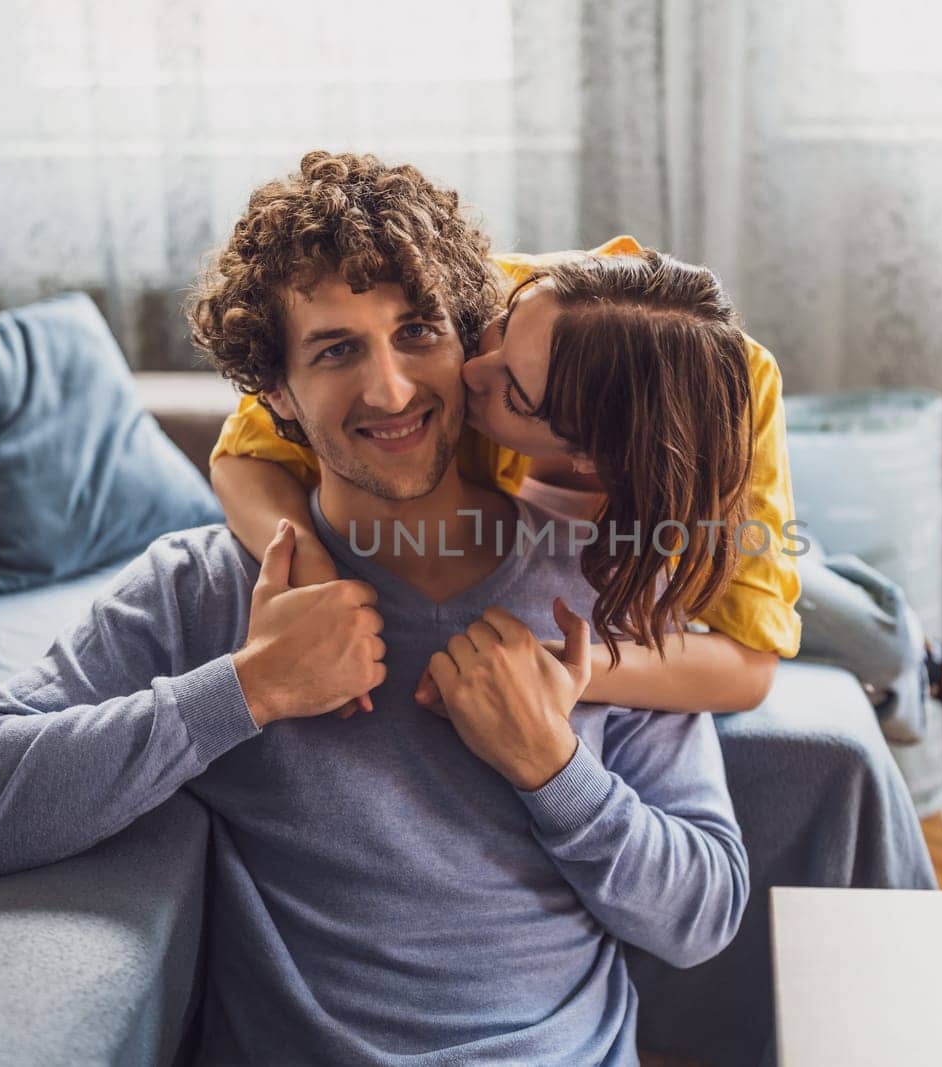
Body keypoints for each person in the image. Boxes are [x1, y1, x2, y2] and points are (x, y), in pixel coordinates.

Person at [0, 153, 749, 1066]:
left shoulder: (601, 581)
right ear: (276, 396)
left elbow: (705, 914)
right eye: (337, 349)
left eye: (418, 331)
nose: (390, 388)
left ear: (469, 345)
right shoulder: (206, 587)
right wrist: (247, 689)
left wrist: (553, 765)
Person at [210, 159, 803, 721]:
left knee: (826, 603)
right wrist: (316, 580)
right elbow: (243, 454)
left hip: (661, 542)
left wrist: (557, 667)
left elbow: (748, 666)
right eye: (502, 332)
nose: (471, 371)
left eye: (513, 394)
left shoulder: (730, 398)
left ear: (591, 455)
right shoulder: (461, 307)